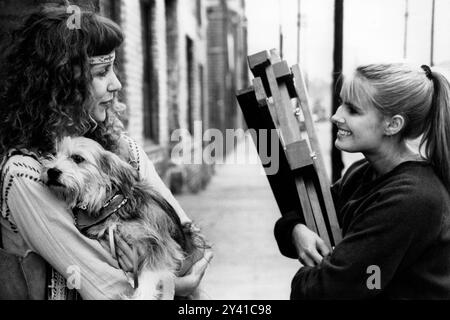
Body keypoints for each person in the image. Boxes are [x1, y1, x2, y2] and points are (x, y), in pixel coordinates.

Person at [0, 4, 212, 300]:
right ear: (62, 84)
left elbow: (191, 245)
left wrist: (166, 275)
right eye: (102, 72)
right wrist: (171, 283)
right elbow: (108, 290)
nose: (117, 84)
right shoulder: (26, 174)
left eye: (114, 68)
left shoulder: (122, 149)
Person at [275, 63, 450, 299]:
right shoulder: (363, 172)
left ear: (393, 124)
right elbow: (313, 218)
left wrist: (306, 274)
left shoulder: (412, 198)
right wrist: (295, 229)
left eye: (353, 110)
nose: (336, 116)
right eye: (341, 103)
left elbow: (327, 291)